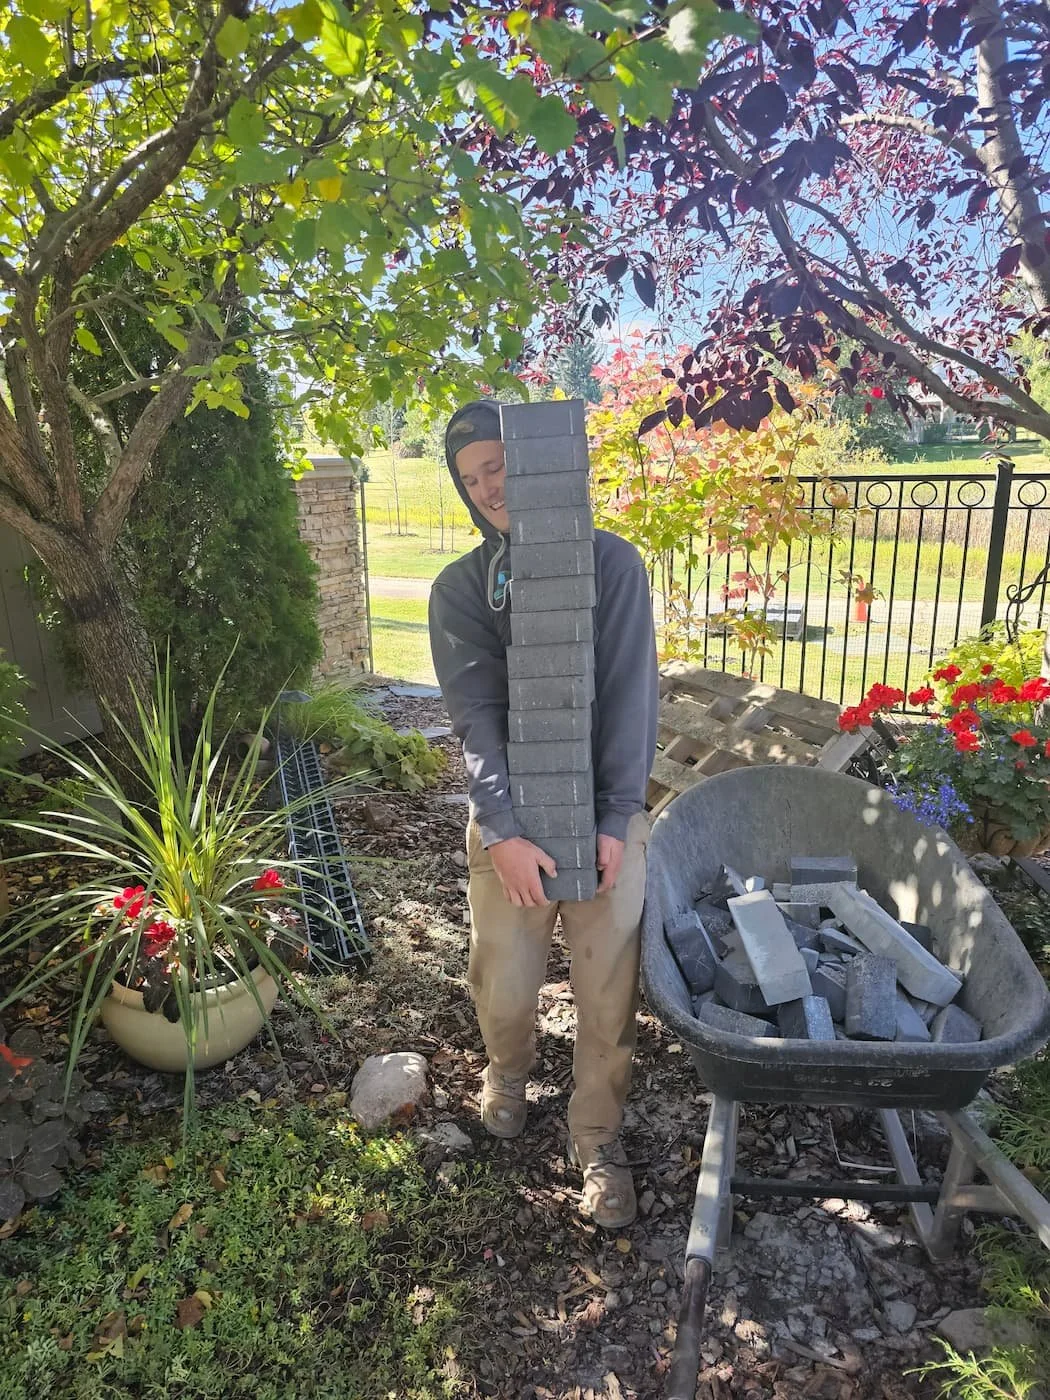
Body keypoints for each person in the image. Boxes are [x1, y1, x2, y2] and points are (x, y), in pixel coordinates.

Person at [428, 399, 658, 1229]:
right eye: (471, 477)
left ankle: (596, 1134)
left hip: (607, 822)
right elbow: (475, 718)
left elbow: (630, 697)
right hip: (510, 825)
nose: (488, 486)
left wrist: (615, 816)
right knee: (506, 981)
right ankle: (506, 1075)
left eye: (499, 466)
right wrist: (504, 829)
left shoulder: (614, 566)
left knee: (606, 994)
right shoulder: (460, 591)